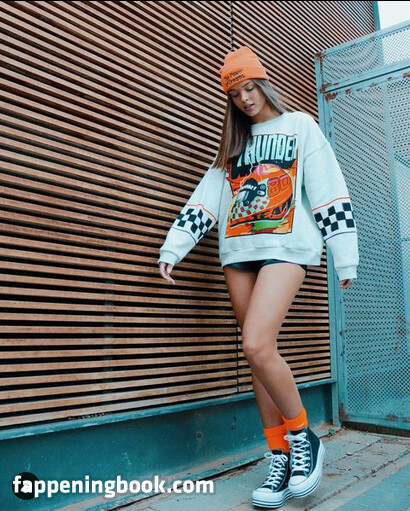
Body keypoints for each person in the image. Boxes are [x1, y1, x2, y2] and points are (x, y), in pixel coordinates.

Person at [157, 46, 359, 509]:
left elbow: (328, 188)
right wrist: (174, 247)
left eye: (250, 88)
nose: (245, 98)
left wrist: (344, 256)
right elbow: (206, 198)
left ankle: (304, 437)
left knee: (256, 344)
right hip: (238, 253)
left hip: (287, 248)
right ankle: (280, 457)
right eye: (235, 93)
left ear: (263, 84)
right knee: (257, 358)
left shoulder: (300, 126)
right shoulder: (234, 144)